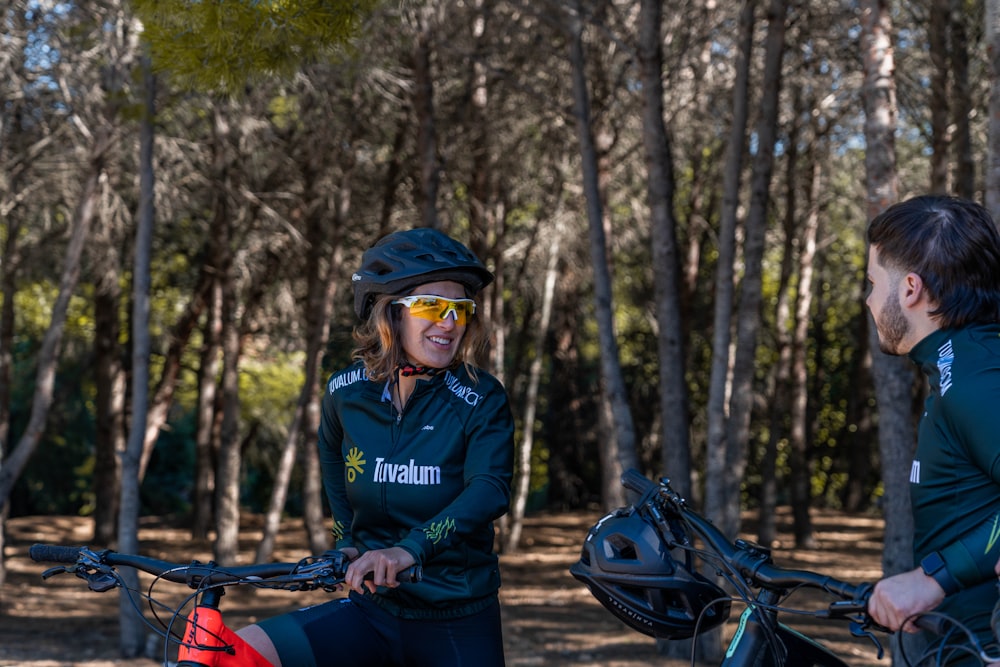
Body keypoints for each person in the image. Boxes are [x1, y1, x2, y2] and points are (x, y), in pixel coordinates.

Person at [239, 227, 515, 667]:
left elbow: (489, 489)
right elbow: (331, 457)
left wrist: (411, 548)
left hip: (456, 621)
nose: (449, 322)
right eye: (432, 306)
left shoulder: (481, 397)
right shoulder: (346, 394)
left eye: (460, 310)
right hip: (371, 612)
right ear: (391, 314)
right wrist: (347, 539)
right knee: (234, 652)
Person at [864, 195, 1000, 661]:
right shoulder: (958, 364)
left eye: (873, 283)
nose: (868, 300)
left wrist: (932, 581)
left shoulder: (973, 378)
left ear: (910, 289)